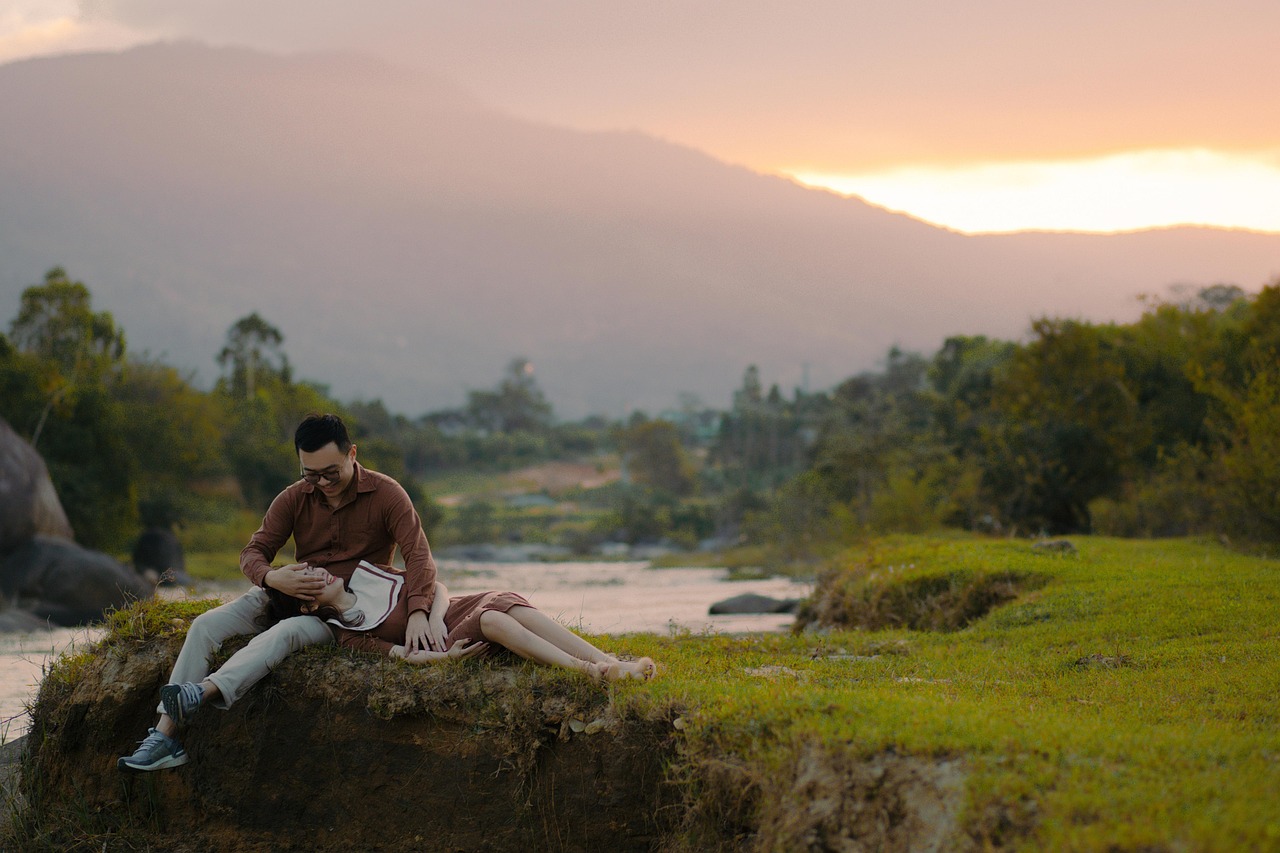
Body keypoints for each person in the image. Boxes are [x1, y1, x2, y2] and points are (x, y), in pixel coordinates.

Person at [117, 413, 439, 772]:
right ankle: (163, 738)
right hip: (286, 594)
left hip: (342, 612)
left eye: (331, 472)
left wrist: (417, 613)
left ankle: (202, 692)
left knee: (286, 633)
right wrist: (273, 578)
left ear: (352, 454)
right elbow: (252, 553)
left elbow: (419, 555)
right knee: (205, 625)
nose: (322, 483)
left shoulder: (387, 494)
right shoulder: (293, 498)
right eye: (310, 474)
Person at [267, 561, 657, 682]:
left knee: (507, 603)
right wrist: (447, 658)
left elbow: (434, 585)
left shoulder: (369, 574)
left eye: (311, 568)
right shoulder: (347, 635)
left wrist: (433, 616)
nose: (317, 573)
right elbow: (403, 656)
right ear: (306, 606)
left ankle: (608, 660)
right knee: (492, 619)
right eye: (307, 580)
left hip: (449, 613)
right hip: (450, 640)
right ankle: (591, 671)